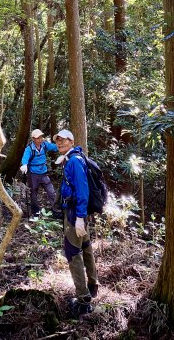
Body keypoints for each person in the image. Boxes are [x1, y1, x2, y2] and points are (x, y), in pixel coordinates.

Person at [54, 129, 99, 317]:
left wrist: (79, 217)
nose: (60, 144)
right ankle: (92, 285)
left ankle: (83, 300)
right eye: (58, 142)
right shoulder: (75, 157)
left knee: (74, 253)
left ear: (71, 141)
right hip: (78, 213)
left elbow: (82, 190)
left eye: (63, 141)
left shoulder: (74, 161)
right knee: (86, 247)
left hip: (75, 215)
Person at [20, 129, 59, 216]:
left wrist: (63, 146)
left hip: (43, 173)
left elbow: (54, 147)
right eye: (38, 138)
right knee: (33, 193)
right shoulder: (30, 148)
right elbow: (25, 157)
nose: (40, 139)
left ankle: (56, 211)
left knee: (51, 192)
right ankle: (35, 212)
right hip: (33, 174)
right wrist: (24, 165)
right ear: (33, 138)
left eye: (41, 137)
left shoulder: (44, 145)